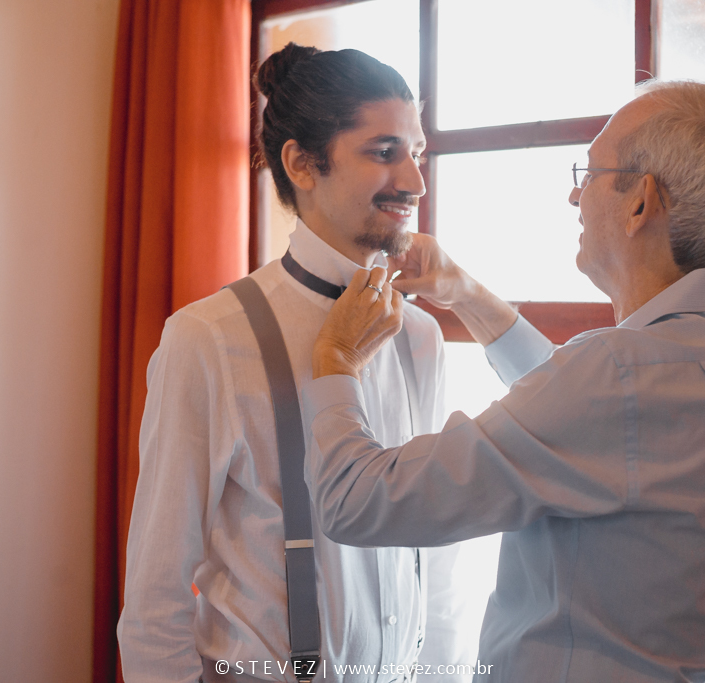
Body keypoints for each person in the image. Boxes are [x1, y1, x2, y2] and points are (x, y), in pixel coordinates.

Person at [302, 80, 705, 682]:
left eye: (588, 172)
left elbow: (356, 502)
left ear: (641, 202)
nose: (573, 195)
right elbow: (597, 428)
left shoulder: (616, 378)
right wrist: (466, 293)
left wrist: (334, 360)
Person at [118, 43, 473, 683]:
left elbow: (438, 554)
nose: (416, 181)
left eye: (416, 154)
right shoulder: (207, 339)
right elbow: (155, 596)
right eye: (384, 151)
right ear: (303, 164)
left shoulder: (420, 337)